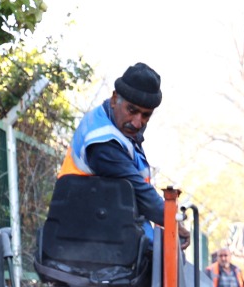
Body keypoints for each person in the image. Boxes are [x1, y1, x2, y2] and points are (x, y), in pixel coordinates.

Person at [58, 63, 188, 247]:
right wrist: (172, 220)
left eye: (146, 115)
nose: (137, 123)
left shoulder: (112, 125)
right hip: (93, 236)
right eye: (132, 110)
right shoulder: (104, 143)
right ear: (114, 99)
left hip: (106, 229)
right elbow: (140, 192)